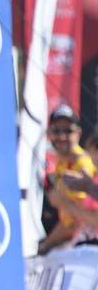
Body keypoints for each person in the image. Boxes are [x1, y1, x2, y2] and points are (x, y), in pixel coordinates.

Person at [37, 105, 96, 255]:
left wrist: (46, 245)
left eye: (68, 131)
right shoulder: (62, 163)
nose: (61, 136)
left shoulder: (83, 164)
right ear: (49, 133)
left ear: (78, 133)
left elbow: (77, 221)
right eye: (56, 131)